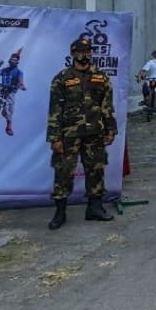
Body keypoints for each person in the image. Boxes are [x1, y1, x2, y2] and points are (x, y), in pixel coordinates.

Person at [46, 38, 117, 230]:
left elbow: (107, 106)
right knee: (64, 172)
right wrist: (55, 138)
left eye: (87, 52)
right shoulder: (62, 78)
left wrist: (111, 130)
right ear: (73, 54)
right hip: (69, 135)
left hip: (95, 132)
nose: (84, 55)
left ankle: (94, 208)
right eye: (80, 52)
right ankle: (60, 212)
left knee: (96, 170)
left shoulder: (101, 77)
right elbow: (55, 110)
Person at [0, 49, 26, 136]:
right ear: (9, 60)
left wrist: (22, 85)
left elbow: (21, 81)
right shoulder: (5, 69)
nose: (13, 60)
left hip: (11, 90)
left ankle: (9, 125)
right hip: (2, 87)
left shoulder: (19, 72)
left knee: (8, 108)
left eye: (15, 60)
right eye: (12, 59)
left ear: (17, 62)